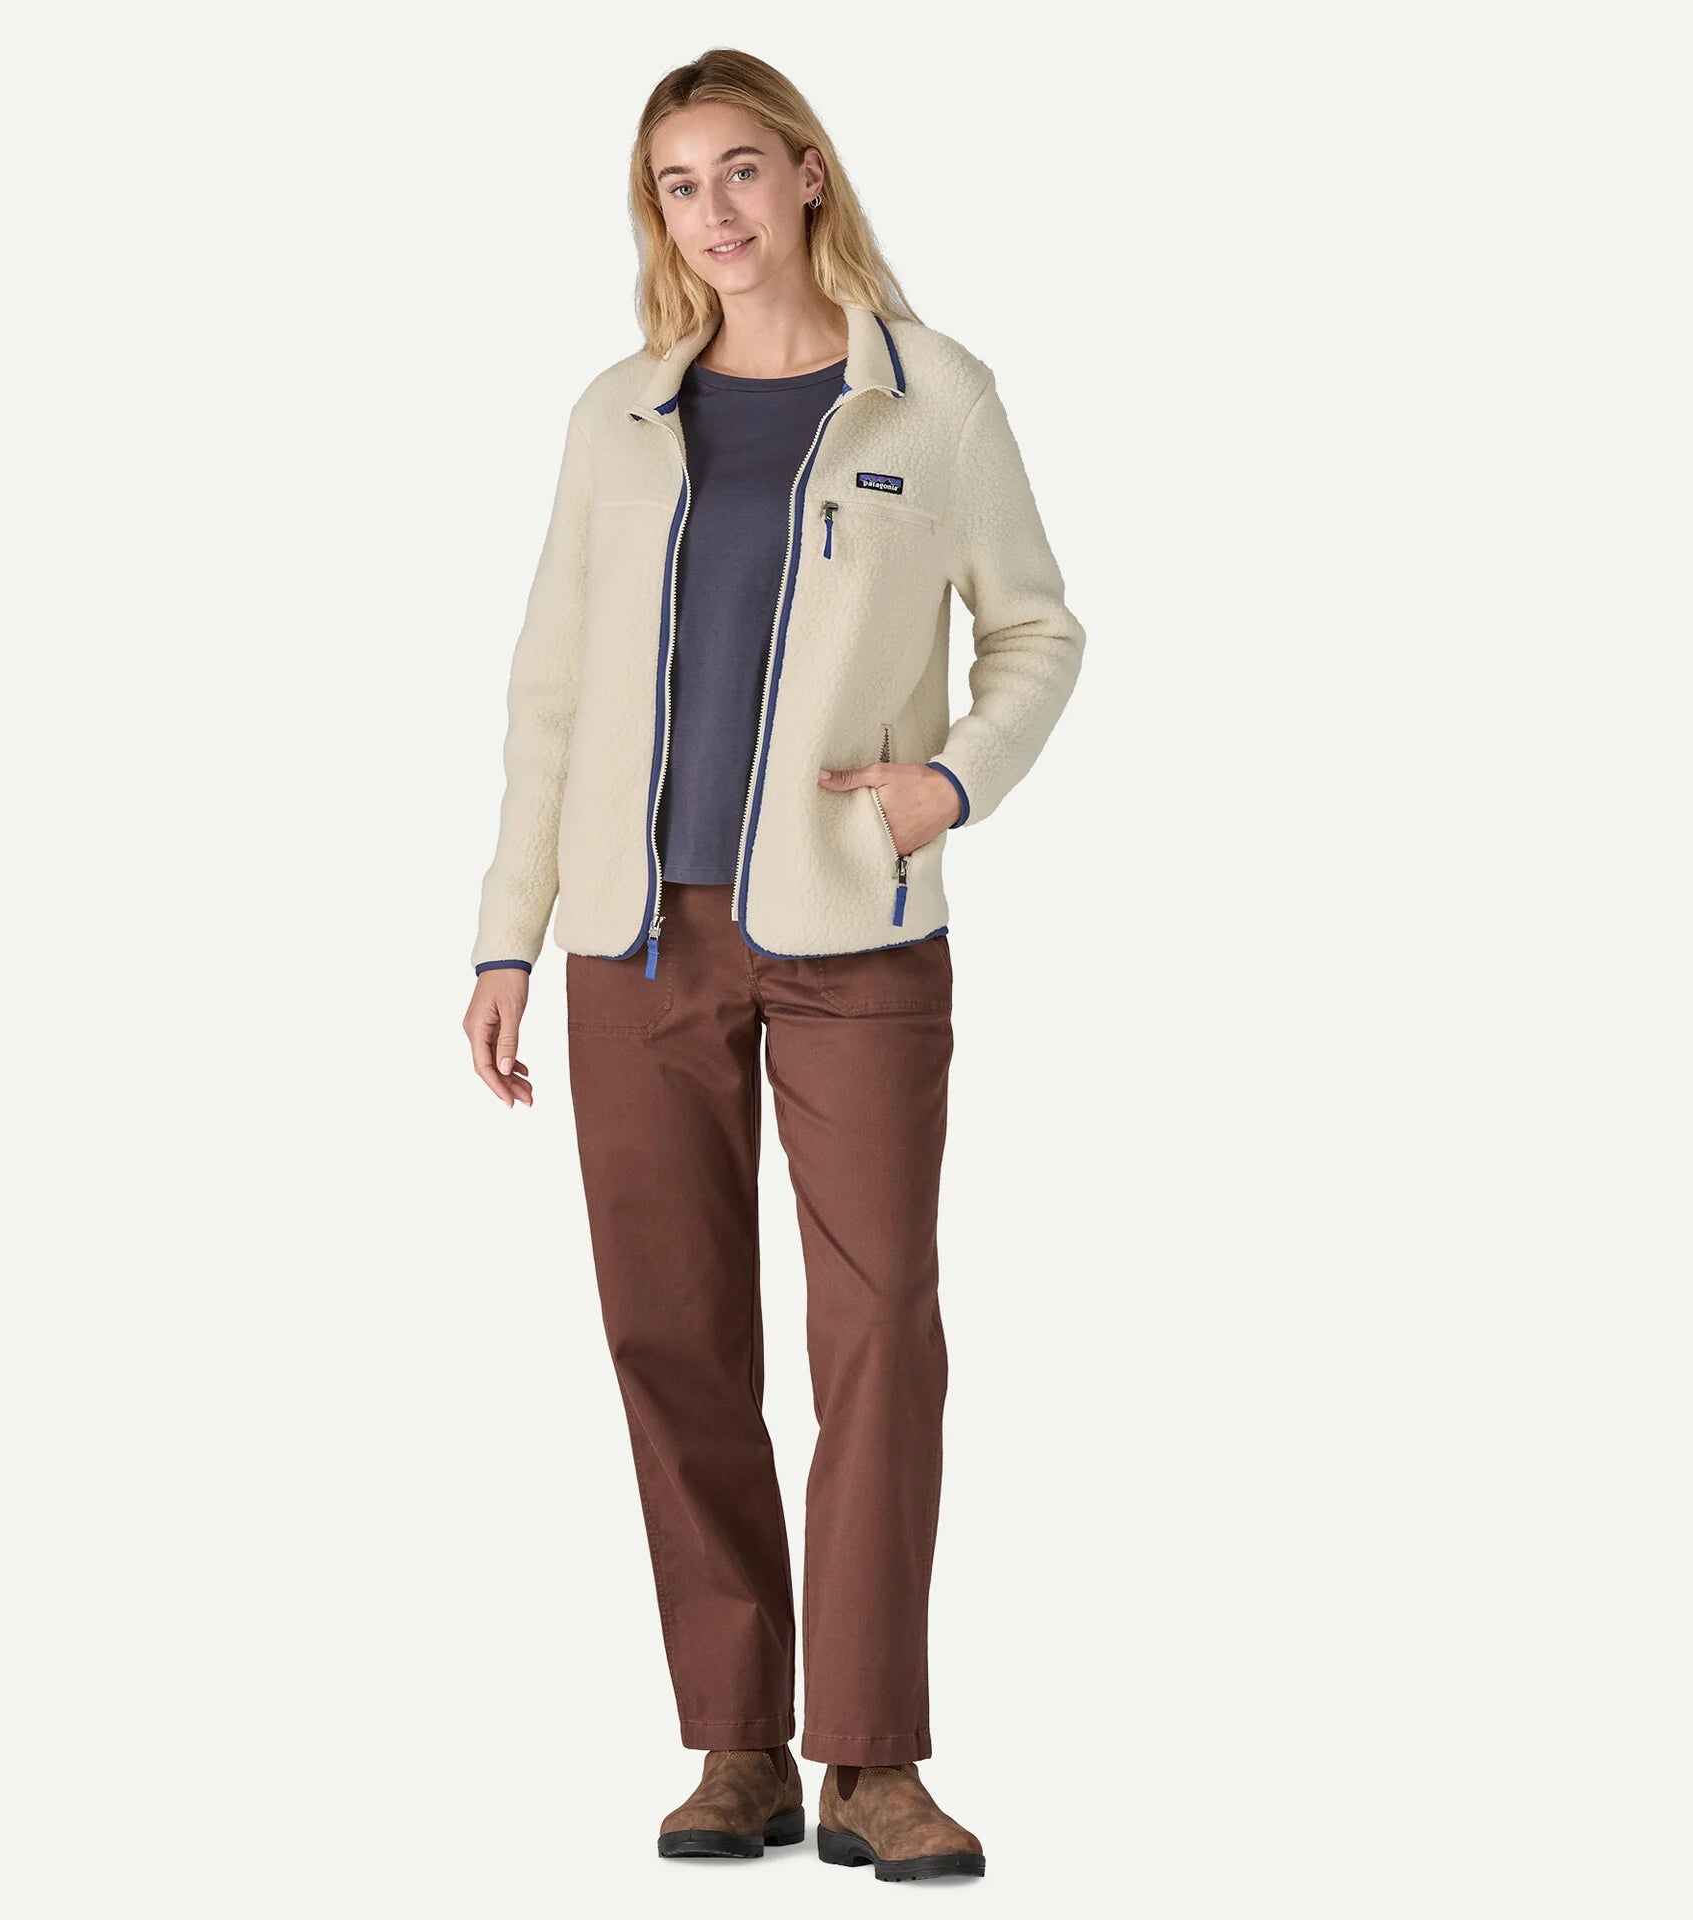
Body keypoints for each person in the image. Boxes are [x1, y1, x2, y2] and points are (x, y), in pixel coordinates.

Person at [462, 47, 1084, 1884]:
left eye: (741, 169)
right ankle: (736, 1740)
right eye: (678, 185)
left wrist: (951, 781)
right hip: (635, 934)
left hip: (855, 932)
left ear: (808, 174)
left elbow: (1039, 629)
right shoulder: (617, 418)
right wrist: (508, 933)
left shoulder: (933, 397)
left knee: (880, 1327)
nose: (713, 212)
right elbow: (551, 691)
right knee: (672, 1332)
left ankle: (871, 1758)